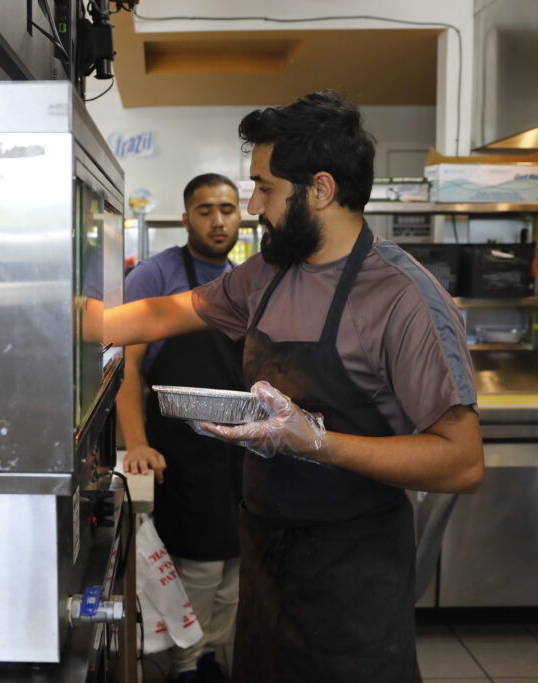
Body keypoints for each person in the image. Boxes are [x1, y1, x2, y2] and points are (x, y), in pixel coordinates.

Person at [104, 91, 484, 683]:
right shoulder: (270, 276)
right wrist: (61, 319)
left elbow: (463, 462)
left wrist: (316, 442)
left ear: (321, 190)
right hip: (267, 558)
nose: (252, 206)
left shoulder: (404, 298)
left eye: (265, 188)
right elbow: (157, 316)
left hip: (351, 580)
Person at [118, 174, 245, 683]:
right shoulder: (155, 275)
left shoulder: (243, 280)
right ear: (186, 215)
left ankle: (213, 660)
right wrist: (137, 443)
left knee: (233, 573)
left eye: (229, 209)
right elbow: (124, 366)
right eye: (206, 209)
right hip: (181, 455)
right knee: (196, 570)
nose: (219, 220)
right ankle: (187, 667)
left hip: (238, 454)